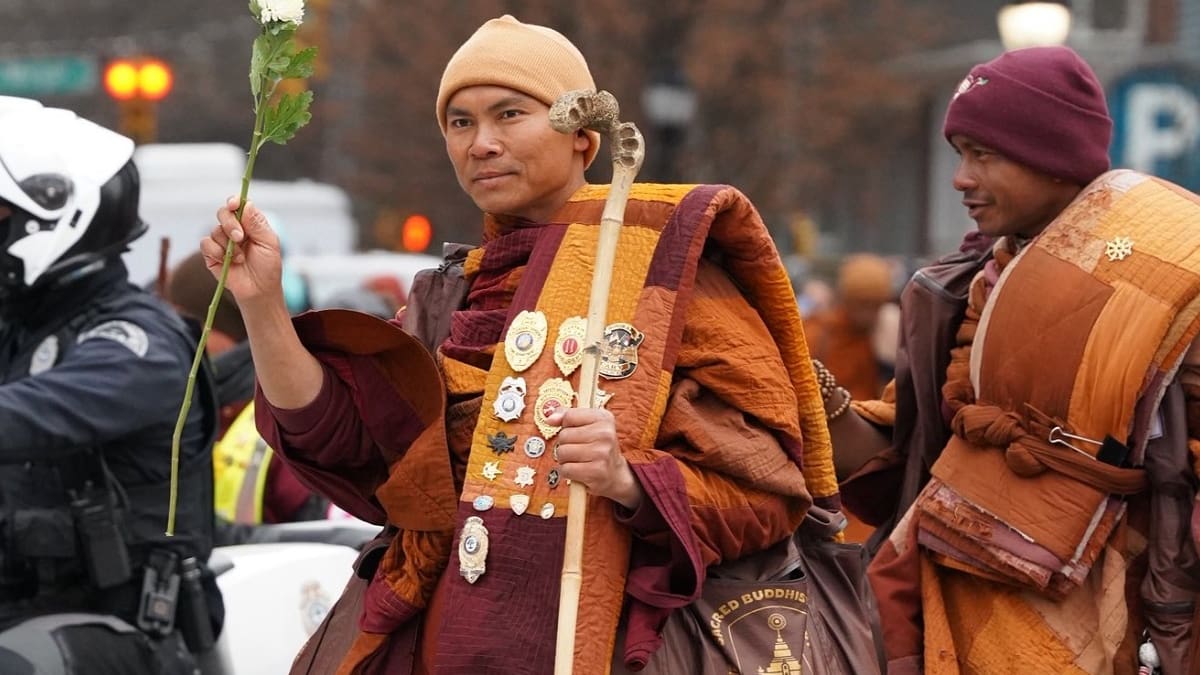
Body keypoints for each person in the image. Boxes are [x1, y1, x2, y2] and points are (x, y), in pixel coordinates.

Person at [202, 15, 841, 674]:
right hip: (442, 639)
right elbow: (348, 445)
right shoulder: (448, 294)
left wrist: (630, 479)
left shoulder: (661, 270)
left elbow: (766, 487)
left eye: (510, 114)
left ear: (583, 136)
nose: (482, 143)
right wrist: (262, 304)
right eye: (460, 122)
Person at [830, 46, 1200, 674]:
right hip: (950, 604)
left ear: (1052, 159)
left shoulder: (1169, 279)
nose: (961, 179)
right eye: (959, 155)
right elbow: (909, 455)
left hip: (1124, 625)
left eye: (984, 154)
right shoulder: (960, 289)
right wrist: (816, 401)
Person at [0, 98, 222, 672]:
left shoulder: (135, 344)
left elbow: (32, 414)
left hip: (128, 638)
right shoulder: (23, 329)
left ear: (55, 215)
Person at [803, 253, 896, 402]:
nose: (868, 314)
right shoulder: (819, 331)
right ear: (846, 299)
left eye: (876, 305)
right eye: (862, 304)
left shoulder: (884, 335)